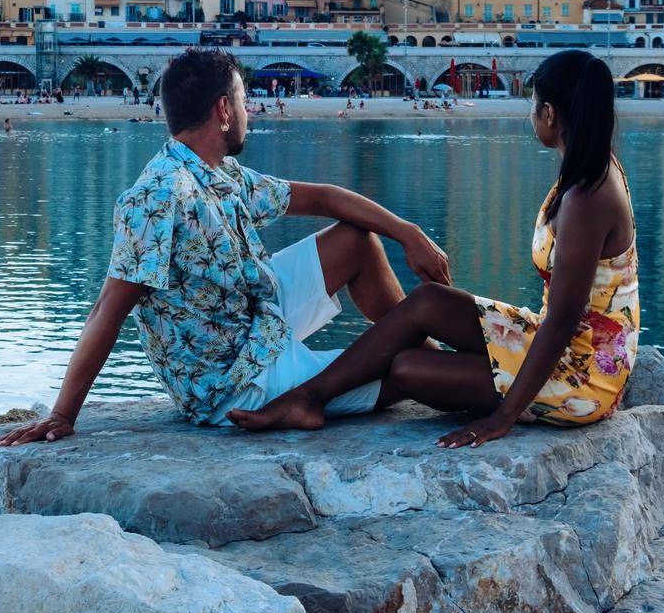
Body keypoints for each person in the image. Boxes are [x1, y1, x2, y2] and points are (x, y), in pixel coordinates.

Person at [0, 48, 449, 448]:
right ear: (224, 110)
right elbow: (106, 312)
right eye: (244, 101)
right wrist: (63, 414)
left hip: (251, 317)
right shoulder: (158, 195)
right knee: (404, 370)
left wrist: (407, 231)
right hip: (234, 380)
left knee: (356, 239)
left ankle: (429, 344)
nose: (252, 111)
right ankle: (427, 361)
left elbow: (325, 197)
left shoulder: (219, 172)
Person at [229, 51, 639, 446]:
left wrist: (504, 416)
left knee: (407, 369)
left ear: (550, 114)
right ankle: (308, 398)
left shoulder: (588, 197)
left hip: (581, 376)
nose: (529, 115)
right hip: (558, 342)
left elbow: (564, 320)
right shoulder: (590, 170)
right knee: (427, 300)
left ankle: (307, 398)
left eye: (533, 106)